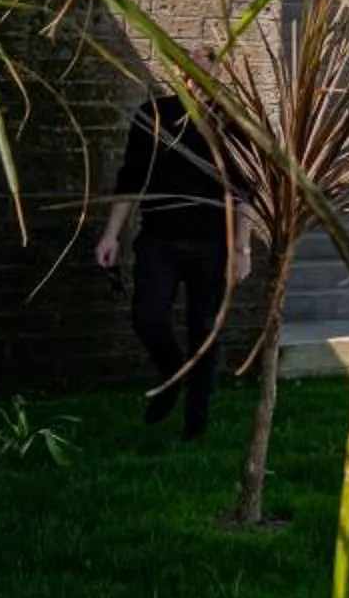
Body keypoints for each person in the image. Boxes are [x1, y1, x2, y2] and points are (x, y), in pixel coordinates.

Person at [94, 90, 249, 436]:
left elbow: (244, 189)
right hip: (158, 241)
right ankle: (173, 373)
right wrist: (111, 235)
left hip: (213, 244)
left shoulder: (230, 117)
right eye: (185, 60)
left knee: (205, 328)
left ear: (216, 67)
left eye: (203, 61)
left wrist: (241, 249)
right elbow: (131, 178)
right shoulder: (154, 114)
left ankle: (197, 416)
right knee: (147, 317)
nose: (192, 71)